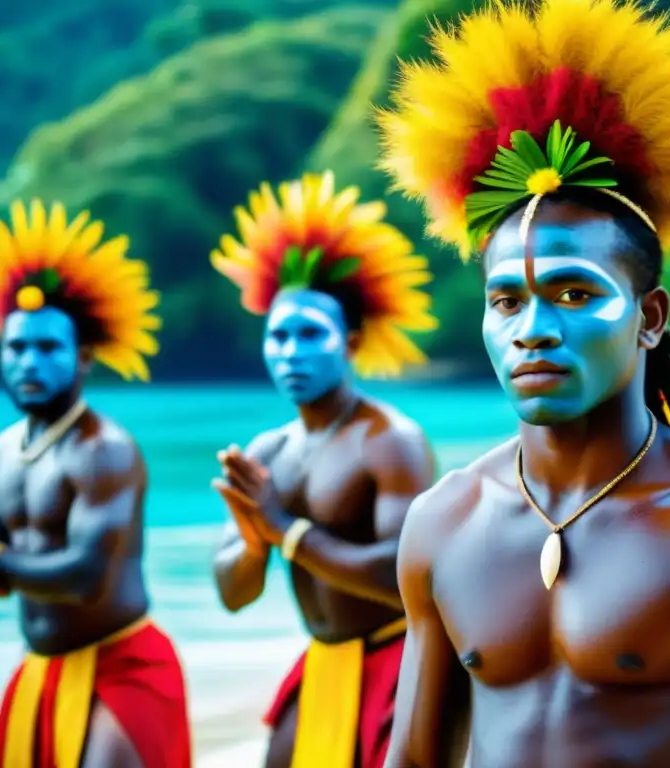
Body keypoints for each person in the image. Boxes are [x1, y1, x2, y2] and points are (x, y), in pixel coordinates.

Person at [376, 0, 670, 765]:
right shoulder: (443, 521)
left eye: (574, 294)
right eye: (507, 301)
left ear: (651, 316)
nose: (533, 328)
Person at [0, 200, 191, 768]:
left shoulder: (103, 450)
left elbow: (83, 577)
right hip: (41, 668)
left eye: (48, 348)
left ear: (83, 358)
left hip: (122, 667)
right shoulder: (8, 449)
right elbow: (12, 575)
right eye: (17, 347)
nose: (29, 362)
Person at [209, 171, 439, 768]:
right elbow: (231, 594)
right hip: (321, 661)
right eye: (278, 336)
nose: (291, 351)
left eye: (311, 334)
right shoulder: (267, 453)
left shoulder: (391, 442)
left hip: (397, 662)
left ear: (352, 342)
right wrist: (258, 541)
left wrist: (286, 530)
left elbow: (402, 576)